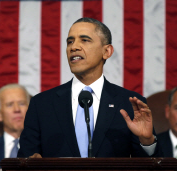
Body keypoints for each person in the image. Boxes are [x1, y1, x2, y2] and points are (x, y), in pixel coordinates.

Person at [17, 17, 163, 158]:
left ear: (107, 52)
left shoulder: (128, 103)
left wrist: (147, 141)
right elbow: (25, 158)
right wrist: (30, 162)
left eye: (85, 40)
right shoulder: (42, 104)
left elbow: (150, 167)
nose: (74, 47)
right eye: (70, 41)